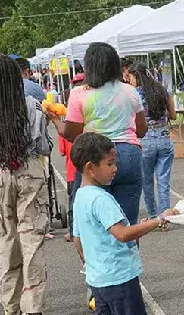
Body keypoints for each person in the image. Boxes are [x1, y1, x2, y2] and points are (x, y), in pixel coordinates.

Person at [60, 132, 184, 315]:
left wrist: (92, 263)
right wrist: (156, 221)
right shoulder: (101, 199)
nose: (115, 168)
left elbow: (78, 238)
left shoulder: (80, 194)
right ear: (91, 167)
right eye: (109, 163)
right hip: (118, 277)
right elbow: (122, 233)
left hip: (99, 278)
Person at [0, 55, 52, 315]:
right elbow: (44, 146)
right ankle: (32, 305)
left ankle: (10, 302)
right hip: (29, 169)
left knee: (7, 235)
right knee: (31, 235)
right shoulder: (33, 105)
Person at [53, 42, 147, 225]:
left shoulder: (79, 93)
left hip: (94, 157)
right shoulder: (130, 91)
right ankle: (129, 253)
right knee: (127, 223)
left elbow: (72, 134)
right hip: (129, 154)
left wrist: (55, 121)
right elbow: (141, 129)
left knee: (93, 222)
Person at [131, 62, 176, 220]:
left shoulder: (135, 94)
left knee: (147, 182)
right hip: (164, 137)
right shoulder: (161, 90)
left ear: (136, 76)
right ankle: (165, 217)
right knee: (163, 180)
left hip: (145, 140)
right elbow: (173, 115)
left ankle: (152, 216)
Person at [60, 73, 87, 243]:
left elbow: (62, 150)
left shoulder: (68, 121)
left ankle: (73, 231)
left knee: (74, 201)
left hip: (73, 168)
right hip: (87, 165)